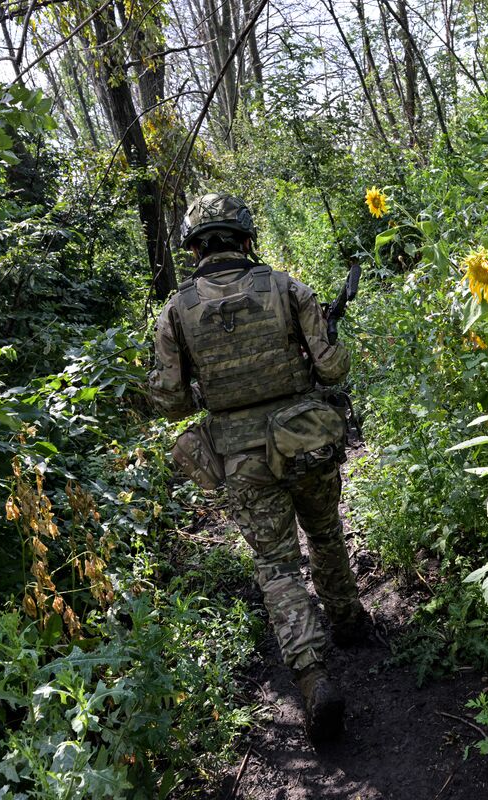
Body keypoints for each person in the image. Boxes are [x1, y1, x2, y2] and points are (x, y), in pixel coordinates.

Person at [148, 192, 369, 742]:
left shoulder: (175, 313)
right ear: (247, 240)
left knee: (276, 565)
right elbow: (334, 369)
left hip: (241, 457)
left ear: (195, 248)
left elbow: (172, 402)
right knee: (324, 533)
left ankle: (314, 677)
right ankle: (347, 622)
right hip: (306, 441)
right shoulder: (289, 288)